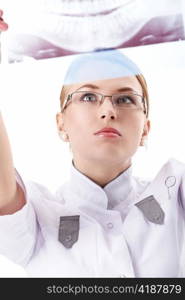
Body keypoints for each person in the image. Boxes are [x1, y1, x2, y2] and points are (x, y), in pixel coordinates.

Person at [0, 11, 185, 278]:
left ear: (145, 128)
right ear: (61, 124)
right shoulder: (38, 217)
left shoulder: (175, 191)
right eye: (87, 97)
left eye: (125, 99)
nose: (108, 110)